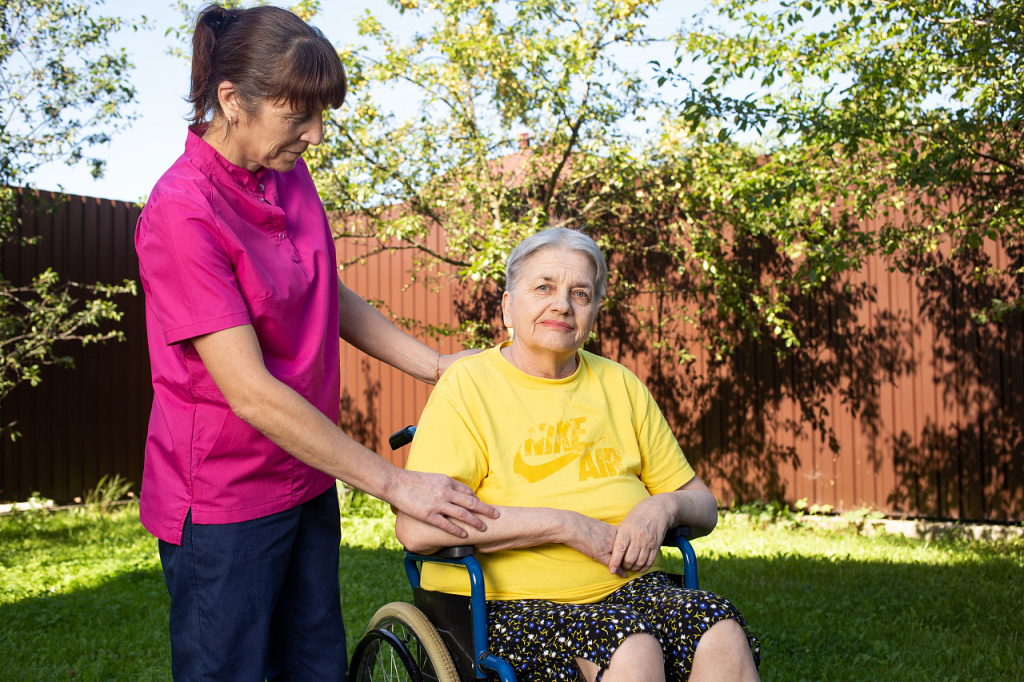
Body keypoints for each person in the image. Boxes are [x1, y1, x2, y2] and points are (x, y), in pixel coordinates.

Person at [134, 5, 496, 680]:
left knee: (316, 665)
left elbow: (321, 289)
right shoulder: (181, 212)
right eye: (299, 114)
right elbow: (249, 392)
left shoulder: (286, 173)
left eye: (321, 113)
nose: (317, 134)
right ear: (232, 100)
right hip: (225, 500)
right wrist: (395, 483)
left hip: (305, 477)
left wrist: (435, 365)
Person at [395, 228, 761, 682]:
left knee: (721, 630)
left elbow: (703, 504)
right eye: (544, 287)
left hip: (630, 589)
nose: (562, 304)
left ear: (593, 312)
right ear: (508, 306)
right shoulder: (467, 387)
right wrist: (566, 526)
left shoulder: (619, 384)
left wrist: (662, 506)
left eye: (580, 293)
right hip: (502, 605)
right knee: (630, 646)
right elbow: (416, 528)